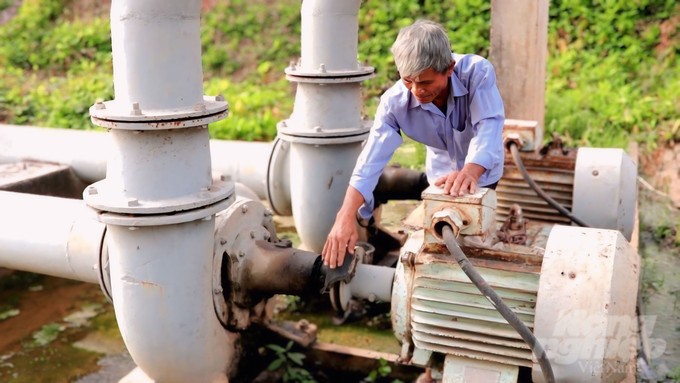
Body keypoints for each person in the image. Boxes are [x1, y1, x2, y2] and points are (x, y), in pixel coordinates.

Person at [322, 20, 505, 268]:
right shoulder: (394, 103)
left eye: (426, 82)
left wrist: (470, 172)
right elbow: (369, 162)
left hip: (482, 174)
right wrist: (344, 217)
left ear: (449, 68)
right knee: (440, 251)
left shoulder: (477, 73)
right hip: (439, 181)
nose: (416, 91)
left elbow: (489, 127)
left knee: (481, 249)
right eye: (408, 80)